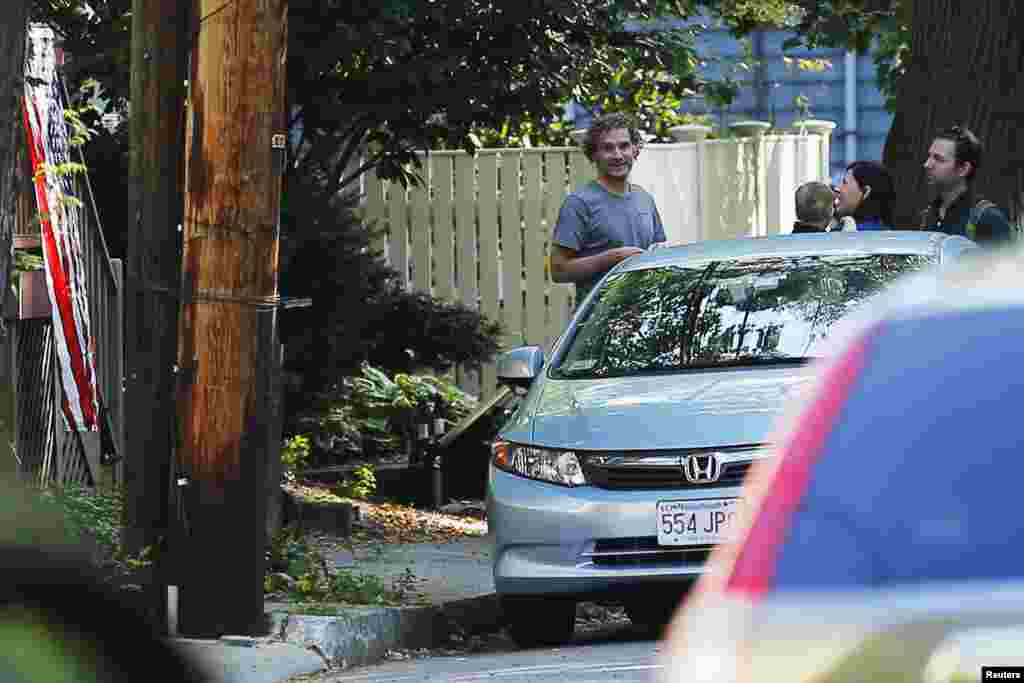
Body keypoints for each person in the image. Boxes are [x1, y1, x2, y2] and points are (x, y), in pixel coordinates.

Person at [550, 112, 666, 303]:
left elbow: (657, 252)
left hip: (643, 315)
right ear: (594, 154)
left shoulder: (644, 199)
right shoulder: (579, 203)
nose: (617, 155)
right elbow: (558, 270)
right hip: (599, 321)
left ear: (635, 150)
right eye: (608, 148)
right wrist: (613, 258)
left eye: (624, 146)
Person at [920, 125, 1013, 245]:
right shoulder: (929, 214)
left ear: (963, 169)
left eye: (938, 159)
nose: (927, 164)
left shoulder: (987, 218)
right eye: (929, 156)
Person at [834, 160, 896, 230]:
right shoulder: (884, 232)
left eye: (844, 183)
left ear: (865, 191)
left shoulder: (853, 235)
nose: (837, 188)